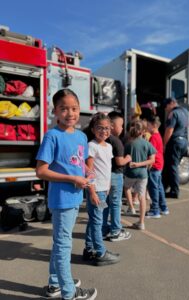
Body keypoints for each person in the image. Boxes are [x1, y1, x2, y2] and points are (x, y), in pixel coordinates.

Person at [36, 89, 97, 300]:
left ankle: (55, 283)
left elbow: (81, 161)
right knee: (64, 245)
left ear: (80, 110)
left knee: (60, 241)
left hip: (75, 197)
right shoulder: (52, 136)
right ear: (55, 112)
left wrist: (86, 171)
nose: (70, 113)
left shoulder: (80, 136)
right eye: (64, 108)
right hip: (61, 199)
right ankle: (69, 292)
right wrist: (73, 179)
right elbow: (41, 170)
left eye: (74, 108)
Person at [83, 112, 120, 266]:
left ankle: (89, 249)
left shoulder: (109, 146)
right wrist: (92, 192)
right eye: (100, 128)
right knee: (97, 222)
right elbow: (89, 171)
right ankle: (100, 252)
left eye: (107, 128)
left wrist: (108, 188)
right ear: (93, 129)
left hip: (103, 190)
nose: (104, 131)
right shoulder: (92, 146)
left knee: (94, 221)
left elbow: (107, 168)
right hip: (95, 190)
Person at [102, 111, 132, 242]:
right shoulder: (116, 141)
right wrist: (128, 158)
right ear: (112, 125)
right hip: (115, 176)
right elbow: (120, 162)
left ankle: (103, 229)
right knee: (115, 204)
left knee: (105, 205)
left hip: (104, 176)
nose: (122, 128)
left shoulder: (102, 139)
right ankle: (115, 231)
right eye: (121, 125)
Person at [124, 120, 156, 230]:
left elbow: (125, 158)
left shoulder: (129, 144)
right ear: (143, 131)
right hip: (143, 174)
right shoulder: (147, 144)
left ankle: (131, 207)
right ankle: (141, 222)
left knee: (127, 187)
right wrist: (140, 164)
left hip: (130, 172)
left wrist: (135, 163)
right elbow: (152, 160)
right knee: (142, 197)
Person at [162, 97, 189, 198]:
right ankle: (166, 186)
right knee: (172, 166)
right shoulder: (185, 112)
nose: (166, 109)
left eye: (166, 106)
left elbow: (169, 130)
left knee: (172, 166)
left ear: (172, 103)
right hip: (184, 142)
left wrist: (164, 144)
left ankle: (175, 191)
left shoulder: (173, 113)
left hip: (175, 142)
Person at [145, 115, 169, 218]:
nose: (146, 127)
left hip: (154, 165)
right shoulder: (158, 135)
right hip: (159, 164)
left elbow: (151, 154)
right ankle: (163, 207)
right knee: (159, 186)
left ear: (154, 125)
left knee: (153, 187)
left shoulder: (153, 138)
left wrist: (148, 165)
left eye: (148, 125)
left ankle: (155, 210)